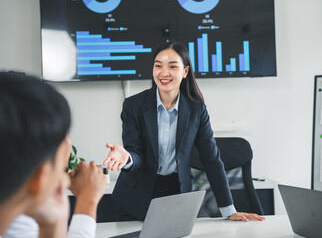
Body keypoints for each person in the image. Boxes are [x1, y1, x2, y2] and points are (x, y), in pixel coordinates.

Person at [103, 42, 265, 222]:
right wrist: (127, 157)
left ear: (185, 71)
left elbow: (211, 160)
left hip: (176, 194)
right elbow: (136, 153)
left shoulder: (196, 110)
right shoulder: (133, 106)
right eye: (158, 66)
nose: (164, 73)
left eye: (172, 66)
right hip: (135, 197)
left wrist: (229, 210)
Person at [0, 72, 106, 238]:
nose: (64, 178)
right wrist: (87, 200)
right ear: (39, 178)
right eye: (61, 168)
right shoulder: (20, 219)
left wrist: (53, 223)